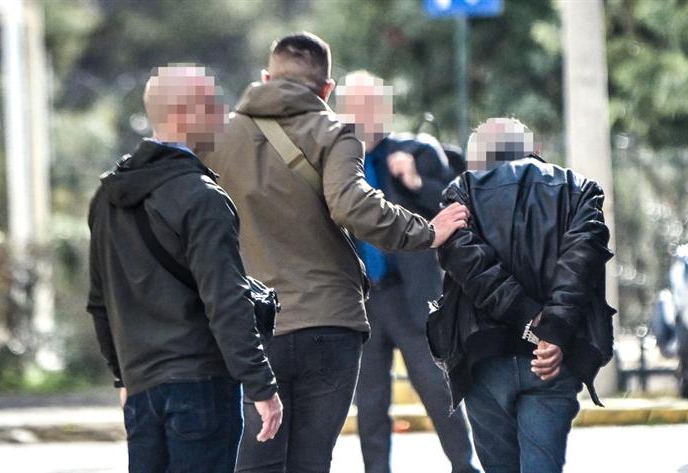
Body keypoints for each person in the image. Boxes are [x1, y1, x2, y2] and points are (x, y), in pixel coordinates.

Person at [201, 33, 470, 472]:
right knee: (312, 458)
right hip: (327, 321)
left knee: (257, 459)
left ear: (267, 78)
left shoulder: (218, 137)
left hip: (252, 324)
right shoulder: (335, 133)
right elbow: (352, 206)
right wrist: (426, 231)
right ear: (327, 89)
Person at [87, 64, 283, 473]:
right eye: (213, 104)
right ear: (184, 114)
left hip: (142, 389)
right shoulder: (202, 196)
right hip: (202, 384)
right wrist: (261, 384)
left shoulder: (106, 198)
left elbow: (99, 302)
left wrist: (123, 377)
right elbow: (226, 300)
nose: (223, 114)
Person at [429, 118, 615, 473]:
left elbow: (468, 262)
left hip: (484, 358)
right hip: (553, 360)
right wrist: (552, 331)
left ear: (477, 157)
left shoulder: (461, 192)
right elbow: (580, 264)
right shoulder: (579, 190)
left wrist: (529, 318)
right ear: (534, 150)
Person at [334, 71, 478, 473]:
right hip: (362, 300)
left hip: (413, 295)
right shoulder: (337, 163)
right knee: (370, 403)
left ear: (386, 109)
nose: (364, 114)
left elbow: (459, 212)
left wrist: (415, 181)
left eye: (372, 105)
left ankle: (465, 467)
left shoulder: (418, 150)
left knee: (438, 392)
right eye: (355, 106)